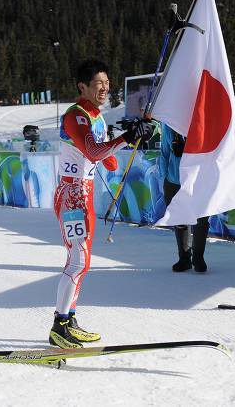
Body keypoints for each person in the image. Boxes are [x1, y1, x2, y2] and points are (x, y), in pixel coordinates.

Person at [49, 59, 153, 348]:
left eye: (107, 83)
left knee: (83, 262)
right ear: (83, 86)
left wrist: (135, 136)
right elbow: (94, 152)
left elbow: (106, 160)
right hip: (71, 196)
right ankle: (59, 325)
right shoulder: (76, 115)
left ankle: (69, 319)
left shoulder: (97, 118)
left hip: (86, 194)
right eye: (99, 83)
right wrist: (124, 138)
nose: (105, 88)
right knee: (78, 261)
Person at [159, 124, 210, 273]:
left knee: (202, 219)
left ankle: (198, 258)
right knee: (180, 220)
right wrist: (164, 178)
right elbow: (164, 152)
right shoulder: (169, 125)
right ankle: (184, 258)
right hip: (174, 181)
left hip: (199, 180)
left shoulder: (201, 123)